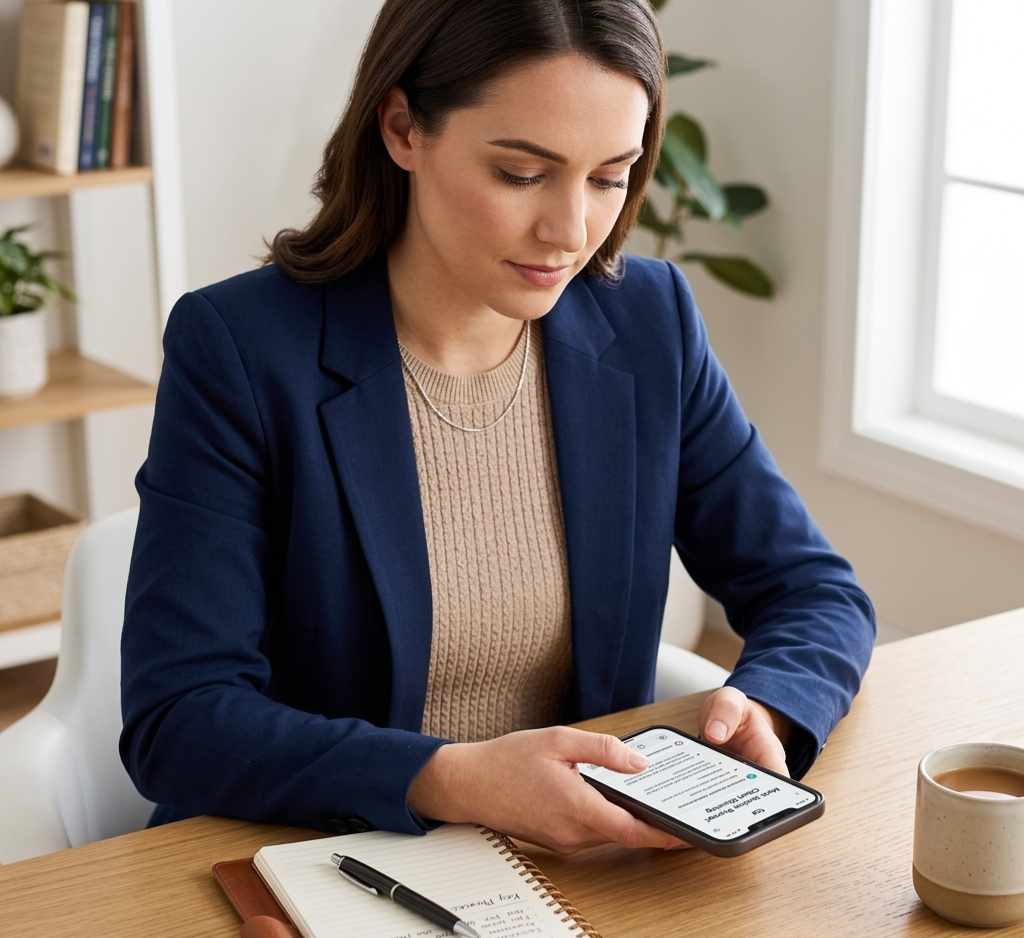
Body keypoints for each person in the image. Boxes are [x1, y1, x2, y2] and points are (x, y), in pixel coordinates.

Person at [120, 0, 874, 855]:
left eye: (609, 175)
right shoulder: (243, 350)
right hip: (318, 857)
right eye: (521, 174)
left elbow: (814, 591)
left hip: (574, 864)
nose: (572, 232)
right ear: (403, 128)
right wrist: (450, 777)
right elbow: (177, 716)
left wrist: (768, 703)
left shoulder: (650, 323)